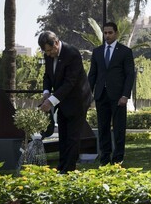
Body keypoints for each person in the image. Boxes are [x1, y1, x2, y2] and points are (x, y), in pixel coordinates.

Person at [38, 31, 92, 173]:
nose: (48, 54)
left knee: (73, 137)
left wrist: (50, 102)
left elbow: (70, 82)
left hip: (78, 99)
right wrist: (46, 92)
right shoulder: (48, 54)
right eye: (46, 51)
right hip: (61, 100)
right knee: (63, 135)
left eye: (50, 50)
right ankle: (61, 166)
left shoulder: (72, 53)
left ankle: (69, 169)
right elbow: (47, 76)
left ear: (56, 43)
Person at [88, 22, 135, 165]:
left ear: (116, 33)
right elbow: (92, 75)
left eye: (110, 33)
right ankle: (104, 159)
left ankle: (118, 159)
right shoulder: (97, 51)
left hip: (119, 97)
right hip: (101, 96)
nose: (107, 35)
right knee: (103, 129)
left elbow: (129, 75)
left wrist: (125, 95)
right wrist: (88, 95)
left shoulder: (125, 52)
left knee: (119, 129)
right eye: (105, 33)